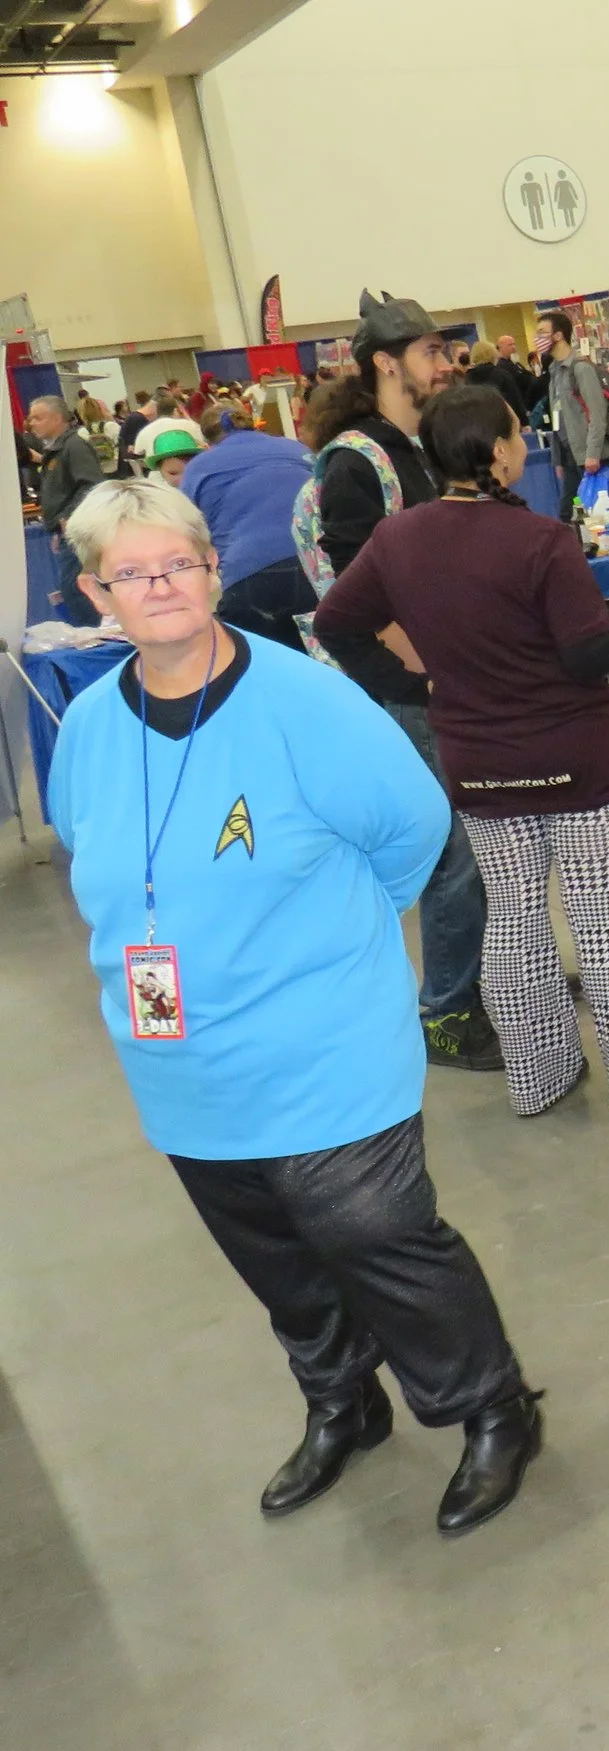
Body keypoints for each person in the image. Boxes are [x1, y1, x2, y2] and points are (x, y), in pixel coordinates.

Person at [46, 478, 543, 1536]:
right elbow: (89, 852)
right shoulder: (87, 728)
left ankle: (491, 1405)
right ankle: (342, 1400)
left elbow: (414, 831)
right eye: (131, 573)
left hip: (323, 1041)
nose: (160, 587)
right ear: (96, 594)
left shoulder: (306, 703)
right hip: (179, 1061)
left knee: (378, 1234)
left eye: (178, 564)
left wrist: (330, 942)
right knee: (272, 1252)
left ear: (213, 570)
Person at [316, 387, 609, 1116]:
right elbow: (588, 652)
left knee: (513, 918)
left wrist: (416, 685)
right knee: (600, 920)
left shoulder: (397, 540)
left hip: (480, 762)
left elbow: (336, 623)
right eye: (517, 432)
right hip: (575, 758)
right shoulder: (541, 540)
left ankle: (538, 1076)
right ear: (500, 453)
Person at [304, 288, 499, 1075]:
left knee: (489, 837)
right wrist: (424, 679)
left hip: (452, 678)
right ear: (386, 363)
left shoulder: (418, 445)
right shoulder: (360, 460)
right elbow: (356, 598)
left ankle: (495, 977)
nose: (446, 363)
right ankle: (447, 1011)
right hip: (410, 691)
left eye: (445, 350)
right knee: (456, 849)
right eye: (430, 352)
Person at [178, 418, 316, 653]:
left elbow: (187, 529)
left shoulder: (199, 466)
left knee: (261, 661)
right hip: (315, 562)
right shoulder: (295, 448)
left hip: (249, 573)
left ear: (208, 443)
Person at [28, 394, 107, 626]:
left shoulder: (74, 446)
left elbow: (92, 484)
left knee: (77, 588)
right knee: (72, 588)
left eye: (38, 418)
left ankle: (95, 634)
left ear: (57, 418)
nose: (31, 424)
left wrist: (67, 517)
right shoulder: (57, 450)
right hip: (65, 531)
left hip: (77, 531)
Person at [535, 309, 606, 513]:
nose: (537, 339)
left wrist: (593, 454)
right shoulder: (554, 371)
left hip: (589, 455)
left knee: (597, 514)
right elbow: (558, 417)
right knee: (568, 513)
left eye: (542, 332)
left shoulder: (581, 368)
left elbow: (597, 413)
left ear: (558, 335)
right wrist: (558, 459)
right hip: (569, 455)